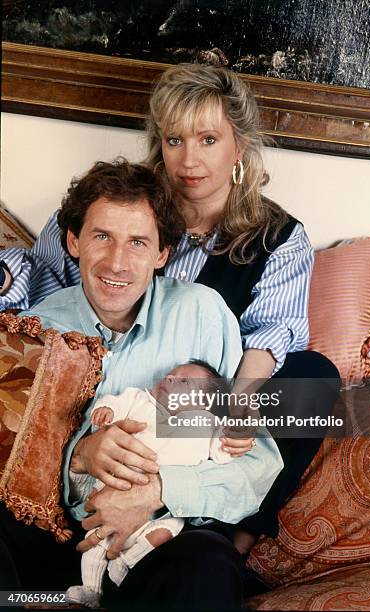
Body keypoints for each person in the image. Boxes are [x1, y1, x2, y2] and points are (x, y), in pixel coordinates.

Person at [1, 63, 339, 588]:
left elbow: (272, 332)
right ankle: (57, 589)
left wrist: (239, 404)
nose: (190, 159)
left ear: (240, 148)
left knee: (312, 376)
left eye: (208, 139)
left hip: (212, 391)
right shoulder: (123, 208)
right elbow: (49, 293)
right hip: (99, 390)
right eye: (175, 140)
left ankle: (237, 535)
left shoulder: (267, 245)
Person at [0, 158, 283, 610]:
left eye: (137, 242)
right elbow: (15, 465)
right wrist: (79, 457)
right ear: (73, 241)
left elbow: (257, 464)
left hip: (158, 540)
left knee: (209, 561)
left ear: (162, 253)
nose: (117, 262)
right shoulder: (37, 329)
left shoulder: (203, 314)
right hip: (60, 543)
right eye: (101, 236)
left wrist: (158, 491)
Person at [67, 360, 277, 608]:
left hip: (165, 511)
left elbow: (224, 453)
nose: (170, 379)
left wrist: (235, 437)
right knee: (95, 545)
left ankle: (124, 566)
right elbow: (112, 405)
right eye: (170, 375)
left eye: (184, 381)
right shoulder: (139, 400)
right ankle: (90, 591)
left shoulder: (205, 425)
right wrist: (104, 413)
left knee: (169, 530)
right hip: (106, 495)